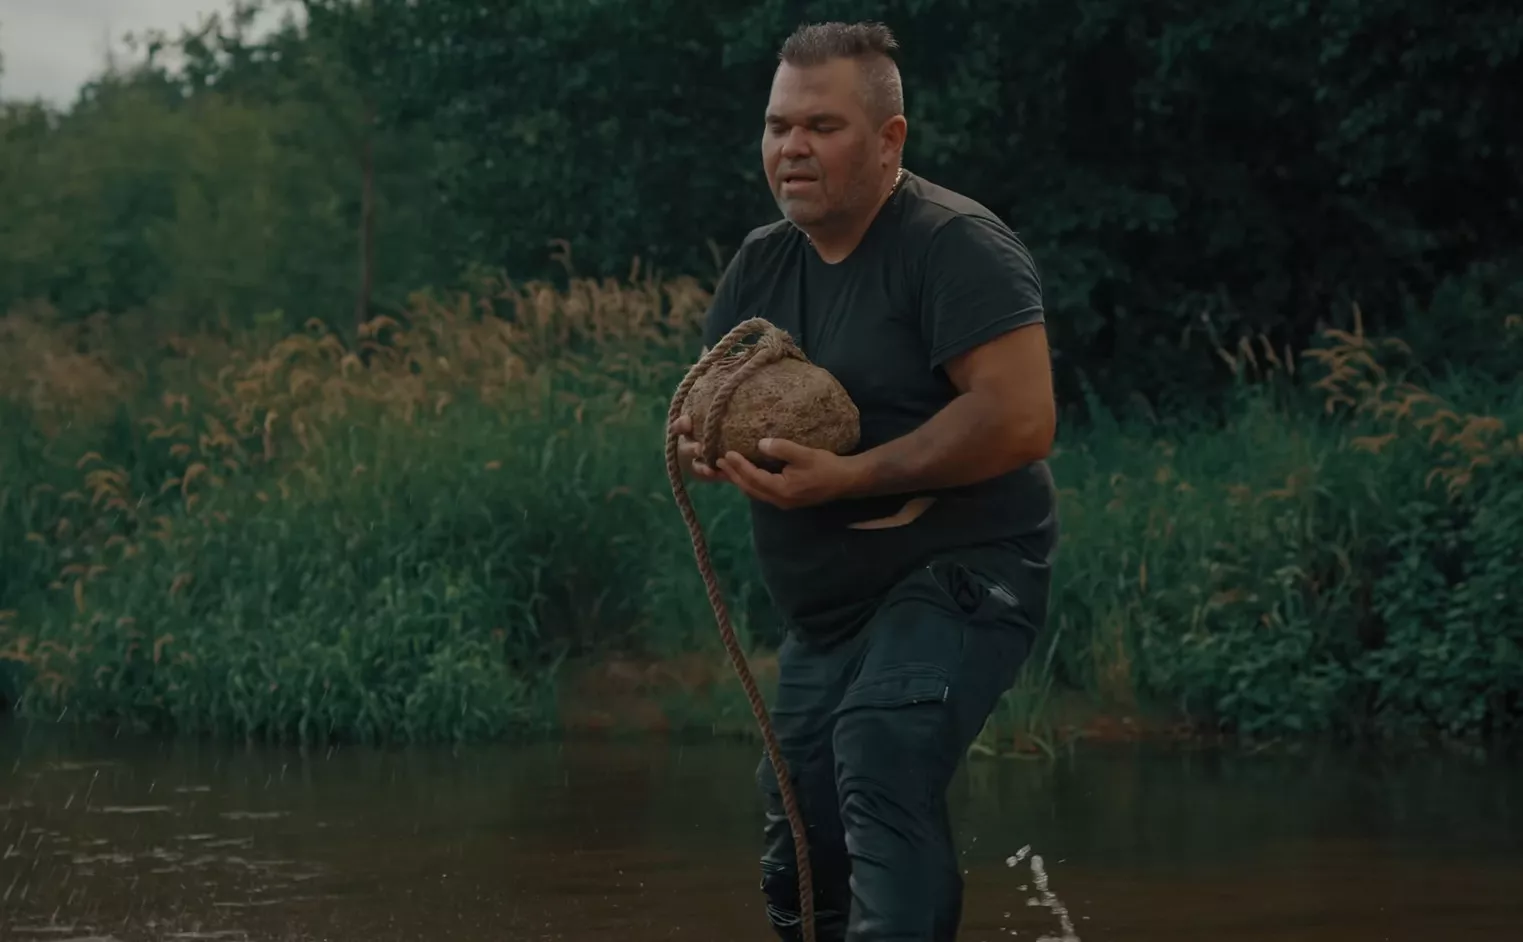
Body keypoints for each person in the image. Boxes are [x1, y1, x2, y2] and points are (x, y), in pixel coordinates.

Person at [669, 20, 1059, 942]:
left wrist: (848, 478)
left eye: (821, 126)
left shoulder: (955, 245)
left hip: (966, 573)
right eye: (778, 126)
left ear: (889, 140)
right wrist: (702, 447)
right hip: (828, 614)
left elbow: (1019, 418)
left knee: (880, 752)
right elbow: (704, 406)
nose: (791, 147)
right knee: (800, 849)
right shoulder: (761, 263)